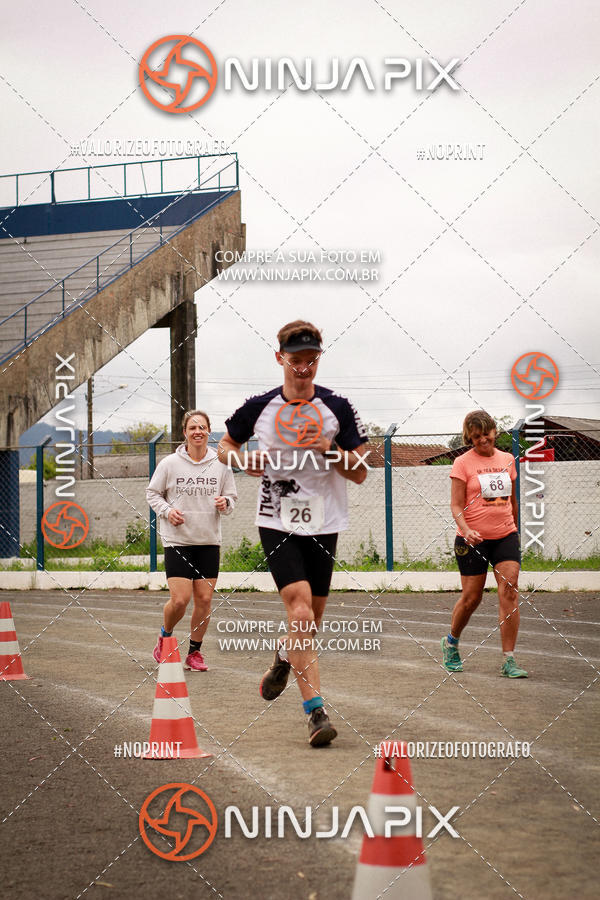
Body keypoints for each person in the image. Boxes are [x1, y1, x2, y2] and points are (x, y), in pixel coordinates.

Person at [218, 320, 369, 746]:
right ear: (280, 358)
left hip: (324, 523)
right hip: (276, 520)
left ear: (319, 359)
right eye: (296, 360)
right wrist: (241, 460)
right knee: (300, 614)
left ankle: (284, 658)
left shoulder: (337, 408)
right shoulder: (260, 407)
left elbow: (359, 474)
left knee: (310, 624)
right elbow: (224, 446)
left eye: (311, 360)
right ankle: (316, 713)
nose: (304, 368)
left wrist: (329, 449)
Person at [147, 409, 237, 671]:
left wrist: (225, 503)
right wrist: (167, 511)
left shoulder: (221, 463)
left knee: (205, 600)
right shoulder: (169, 464)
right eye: (192, 427)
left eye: (202, 427)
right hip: (178, 540)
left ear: (209, 431)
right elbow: (153, 494)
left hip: (208, 540)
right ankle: (165, 635)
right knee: (180, 600)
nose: (198, 431)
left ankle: (194, 653)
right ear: (185, 433)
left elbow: (232, 499)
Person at [441, 410, 527, 678]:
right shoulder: (462, 464)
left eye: (486, 434)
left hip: (505, 535)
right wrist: (466, 530)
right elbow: (456, 504)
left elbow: (512, 500)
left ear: (494, 432)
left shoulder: (507, 460)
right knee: (472, 598)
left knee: (510, 589)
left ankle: (509, 659)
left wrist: (513, 529)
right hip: (472, 539)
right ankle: (451, 642)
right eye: (476, 437)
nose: (482, 440)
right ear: (470, 438)